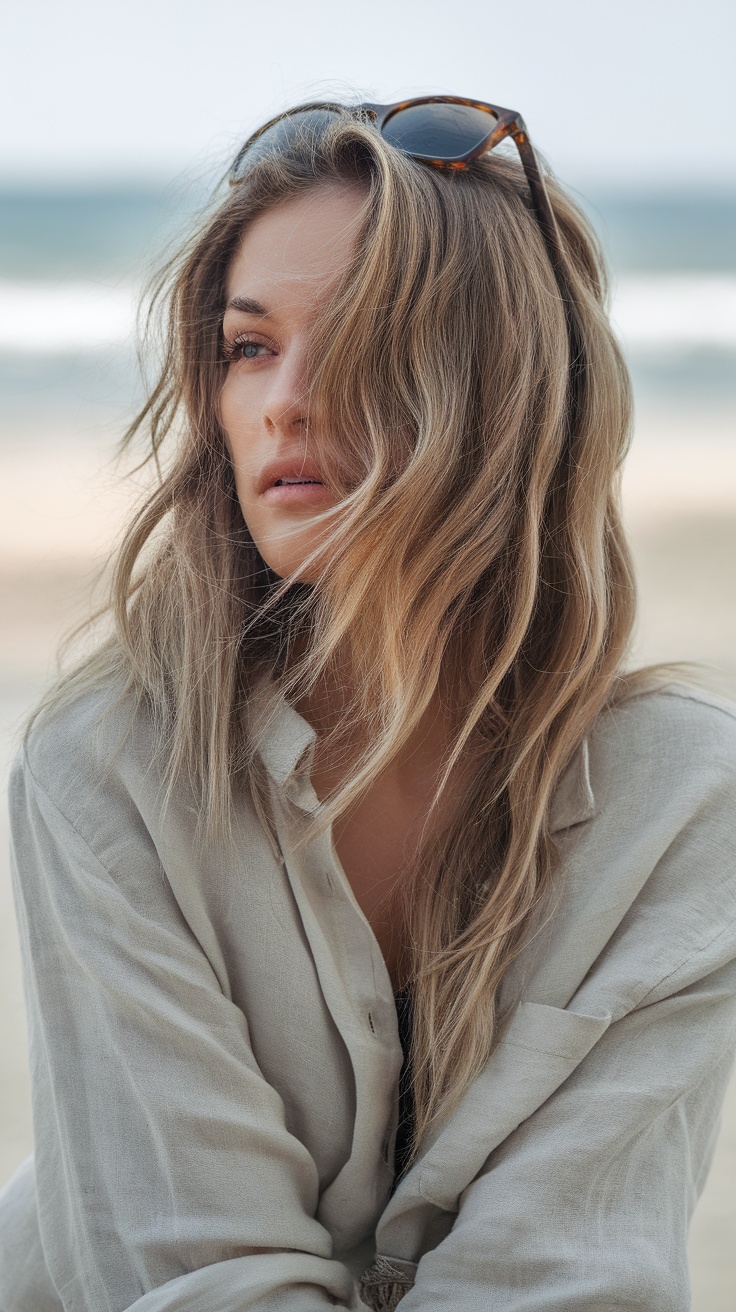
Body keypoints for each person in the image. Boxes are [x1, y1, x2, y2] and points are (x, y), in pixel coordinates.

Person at [1, 97, 735, 1312]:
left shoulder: (681, 802)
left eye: (352, 339)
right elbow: (205, 1283)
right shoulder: (111, 766)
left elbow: (566, 1280)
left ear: (502, 386)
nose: (282, 401)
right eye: (249, 347)